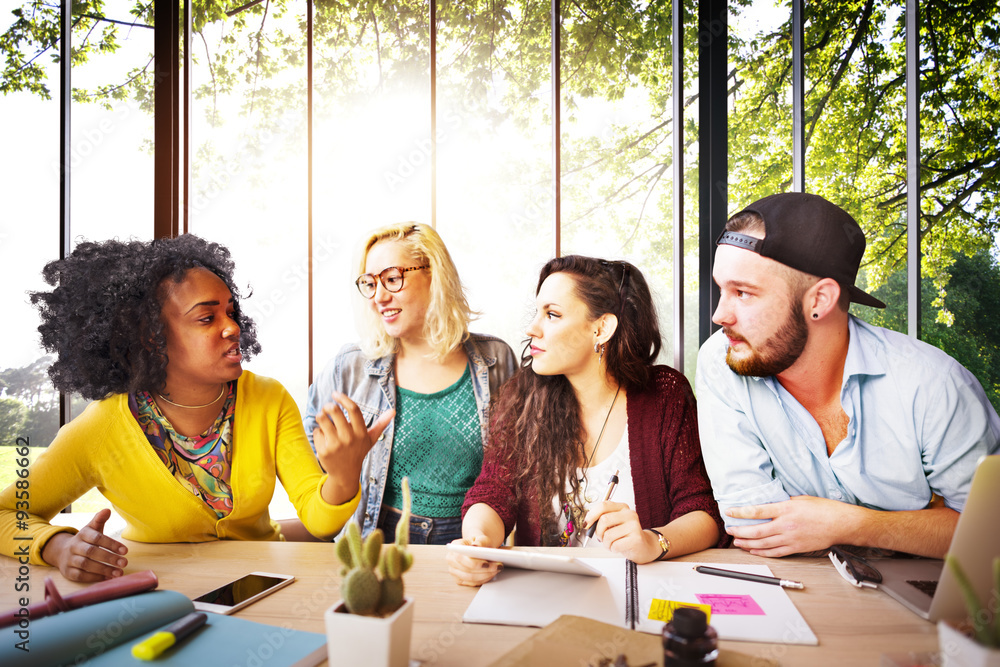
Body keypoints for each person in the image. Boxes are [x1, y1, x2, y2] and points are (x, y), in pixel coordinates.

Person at [0, 235, 386, 582]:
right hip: (155, 599)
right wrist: (59, 547)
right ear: (150, 338)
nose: (232, 327)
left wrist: (343, 476)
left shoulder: (268, 399)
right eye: (206, 318)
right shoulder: (102, 428)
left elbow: (317, 516)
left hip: (263, 587)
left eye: (231, 312)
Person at [697, 192, 1000, 559]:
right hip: (795, 590)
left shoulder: (934, 386)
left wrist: (851, 525)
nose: (719, 315)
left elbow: (988, 533)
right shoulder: (722, 360)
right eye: (721, 289)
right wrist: (923, 523)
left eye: (743, 293)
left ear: (820, 300)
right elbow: (753, 527)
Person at [448, 256, 726, 586]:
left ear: (601, 328)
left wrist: (654, 541)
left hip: (641, 592)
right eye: (537, 312)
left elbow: (702, 511)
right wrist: (478, 542)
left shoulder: (666, 395)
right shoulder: (521, 396)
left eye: (551, 314)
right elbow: (493, 493)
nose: (531, 328)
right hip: (544, 595)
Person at [303, 223, 516, 545]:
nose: (379, 297)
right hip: (376, 537)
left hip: (471, 536)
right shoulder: (348, 367)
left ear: (435, 275)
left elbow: (515, 467)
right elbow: (309, 469)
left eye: (392, 279)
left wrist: (485, 538)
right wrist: (340, 470)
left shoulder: (497, 360)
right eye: (370, 284)